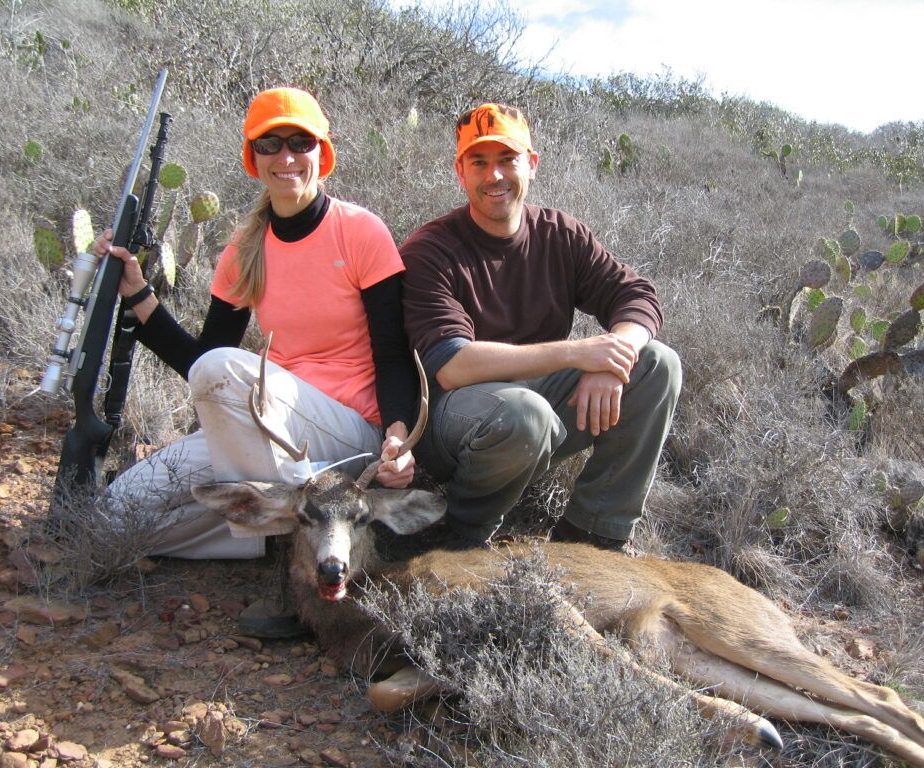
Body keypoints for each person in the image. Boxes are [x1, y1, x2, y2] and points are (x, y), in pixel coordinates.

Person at [99, 87, 419, 636]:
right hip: (272, 434)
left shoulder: (359, 231)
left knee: (226, 370)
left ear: (323, 153)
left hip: (347, 432)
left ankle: (291, 565)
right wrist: (139, 297)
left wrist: (396, 435)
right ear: (254, 159)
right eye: (270, 144)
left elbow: (392, 354)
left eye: (301, 142)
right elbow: (202, 366)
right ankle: (283, 535)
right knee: (116, 518)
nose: (286, 156)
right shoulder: (245, 245)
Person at [400, 103, 681, 550]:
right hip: (452, 419)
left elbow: (636, 295)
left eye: (507, 160)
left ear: (530, 164)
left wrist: (613, 358)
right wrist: (576, 353)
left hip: (534, 409)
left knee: (657, 363)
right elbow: (451, 366)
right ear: (461, 172)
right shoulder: (431, 250)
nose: (494, 176)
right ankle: (460, 536)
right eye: (479, 162)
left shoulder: (560, 234)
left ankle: (593, 536)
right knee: (524, 413)